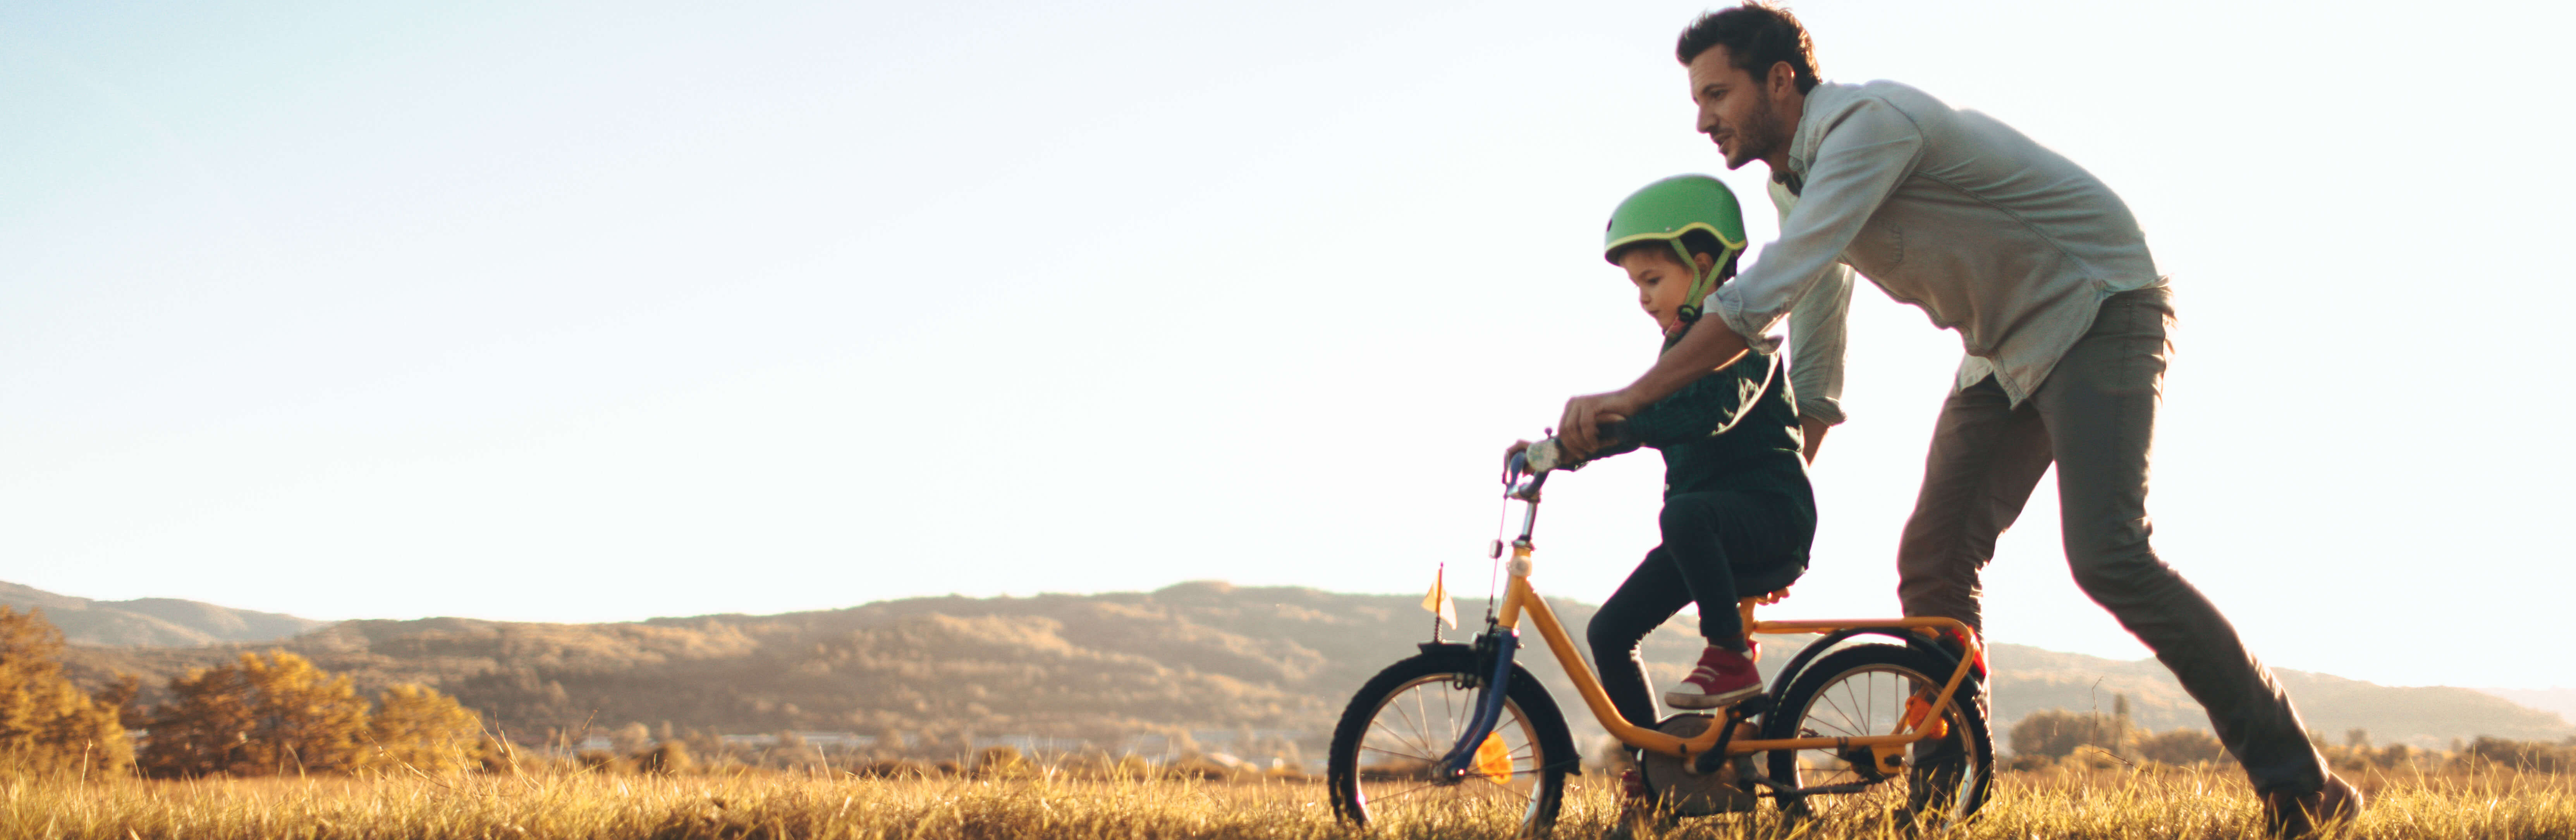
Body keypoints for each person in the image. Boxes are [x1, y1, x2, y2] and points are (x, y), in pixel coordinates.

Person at [1550, 5, 2359, 835]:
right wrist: (1784, 485)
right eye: (1696, 98)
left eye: (1717, 93)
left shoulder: (1867, 128)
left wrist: (1629, 396)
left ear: (1780, 82)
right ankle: (1944, 796)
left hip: (2097, 303)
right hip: (2000, 351)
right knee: (1932, 558)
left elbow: (1764, 292)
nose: (1701, 118)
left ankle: (2300, 783)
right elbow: (1816, 314)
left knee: (2107, 553)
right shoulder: (1793, 181)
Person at [1515, 174, 1815, 722]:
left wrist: (1626, 416)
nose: (1642, 297)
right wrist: (1558, 450)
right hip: (1703, 529)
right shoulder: (1678, 348)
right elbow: (1651, 420)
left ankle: (1730, 655)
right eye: (1636, 285)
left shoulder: (1746, 337)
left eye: (1651, 279)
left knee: (1683, 513)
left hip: (1769, 518)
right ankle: (1653, 772)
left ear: (1702, 266)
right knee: (1609, 632)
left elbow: (1708, 413)